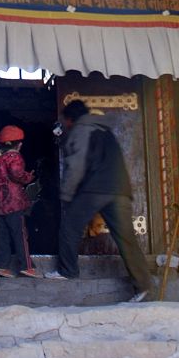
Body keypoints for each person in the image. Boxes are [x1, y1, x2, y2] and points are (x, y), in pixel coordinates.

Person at [44, 99, 152, 302]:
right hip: (120, 190)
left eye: (65, 121)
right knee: (127, 239)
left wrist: (66, 196)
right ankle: (143, 287)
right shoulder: (105, 129)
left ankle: (67, 271)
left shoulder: (80, 130)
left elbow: (76, 166)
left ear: (70, 119)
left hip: (94, 188)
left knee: (69, 227)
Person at [0, 125, 41, 279]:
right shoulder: (14, 157)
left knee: (2, 234)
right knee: (20, 234)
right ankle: (26, 266)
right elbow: (17, 175)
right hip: (13, 203)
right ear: (19, 145)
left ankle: (1, 265)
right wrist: (29, 177)